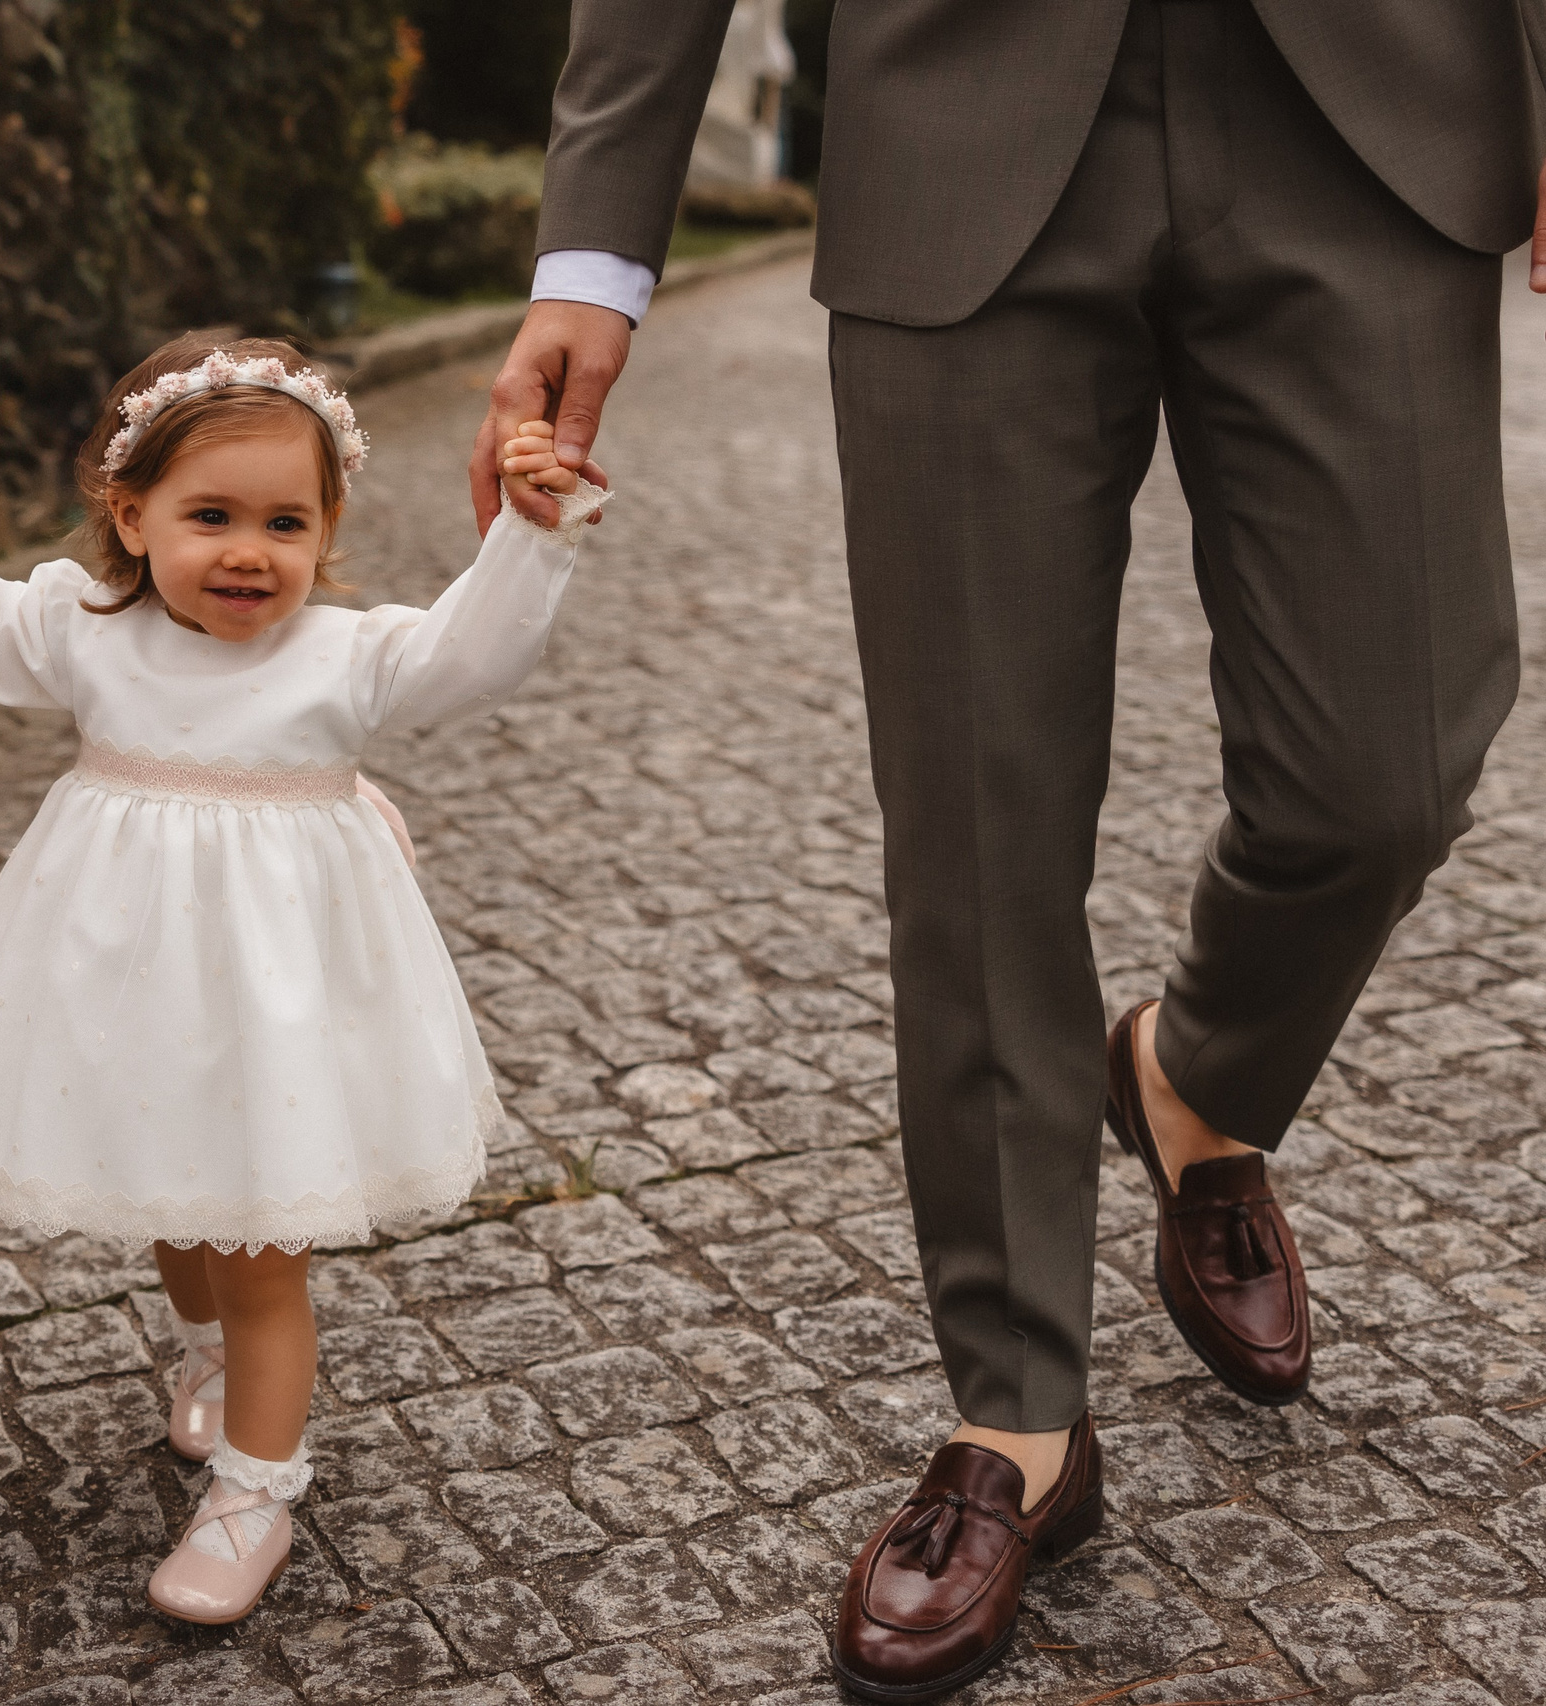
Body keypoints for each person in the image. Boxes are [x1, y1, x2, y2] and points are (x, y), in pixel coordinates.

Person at [475, 1, 1543, 1699]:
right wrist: (595, 253)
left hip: (1375, 116)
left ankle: (1192, 1073)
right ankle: (1020, 1415)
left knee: (1388, 768)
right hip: (963, 127)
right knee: (977, 810)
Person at [0, 333, 606, 1624]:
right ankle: (203, 1352)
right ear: (130, 516)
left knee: (257, 1248)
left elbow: (472, 652)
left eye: (286, 520)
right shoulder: (87, 627)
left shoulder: (342, 656)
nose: (251, 550)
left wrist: (531, 534)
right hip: (131, 983)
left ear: (328, 523)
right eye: (212, 516)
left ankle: (256, 1487)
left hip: (279, 1002)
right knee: (174, 1202)